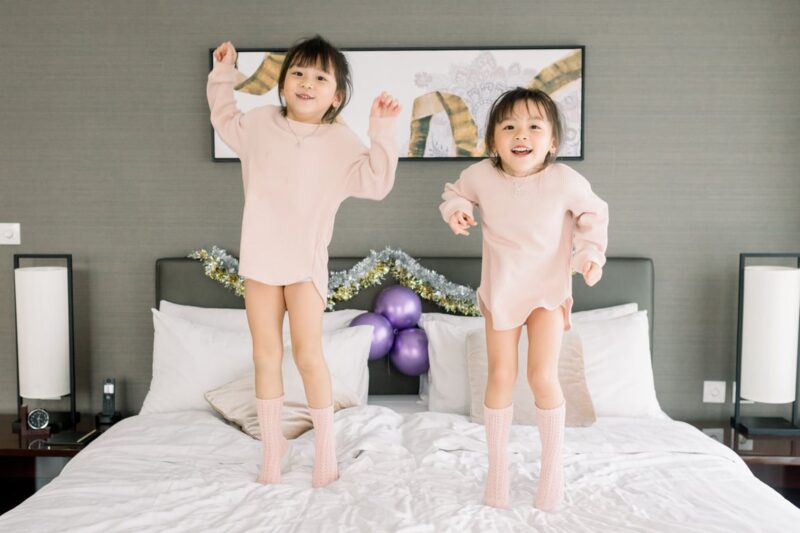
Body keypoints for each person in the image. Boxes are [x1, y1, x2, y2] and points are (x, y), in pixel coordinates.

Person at [207, 35, 401, 488]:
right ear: (283, 84)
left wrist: (382, 130)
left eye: (319, 77)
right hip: (259, 260)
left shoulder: (340, 140)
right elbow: (224, 117)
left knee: (310, 355)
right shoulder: (259, 124)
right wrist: (222, 74)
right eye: (297, 73)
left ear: (336, 96)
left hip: (305, 264)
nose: (306, 83)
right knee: (265, 355)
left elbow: (376, 182)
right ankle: (272, 450)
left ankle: (325, 451)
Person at [439, 87, 608, 511]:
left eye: (534, 126)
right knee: (500, 375)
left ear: (552, 141)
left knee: (542, 377)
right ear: (493, 140)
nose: (521, 135)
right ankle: (497, 471)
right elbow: (455, 192)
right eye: (509, 126)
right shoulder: (481, 175)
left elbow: (593, 214)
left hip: (548, 292)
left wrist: (590, 254)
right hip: (502, 291)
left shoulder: (564, 180)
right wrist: (457, 210)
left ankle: (552, 471)